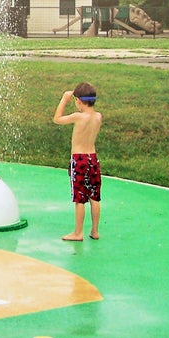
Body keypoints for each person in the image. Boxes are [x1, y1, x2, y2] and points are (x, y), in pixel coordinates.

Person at [53, 82, 102, 241]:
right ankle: (95, 230)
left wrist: (64, 99)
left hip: (79, 159)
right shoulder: (98, 116)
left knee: (80, 199)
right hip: (93, 159)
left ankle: (78, 233)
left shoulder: (78, 116)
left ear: (79, 101)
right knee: (95, 196)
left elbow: (57, 119)